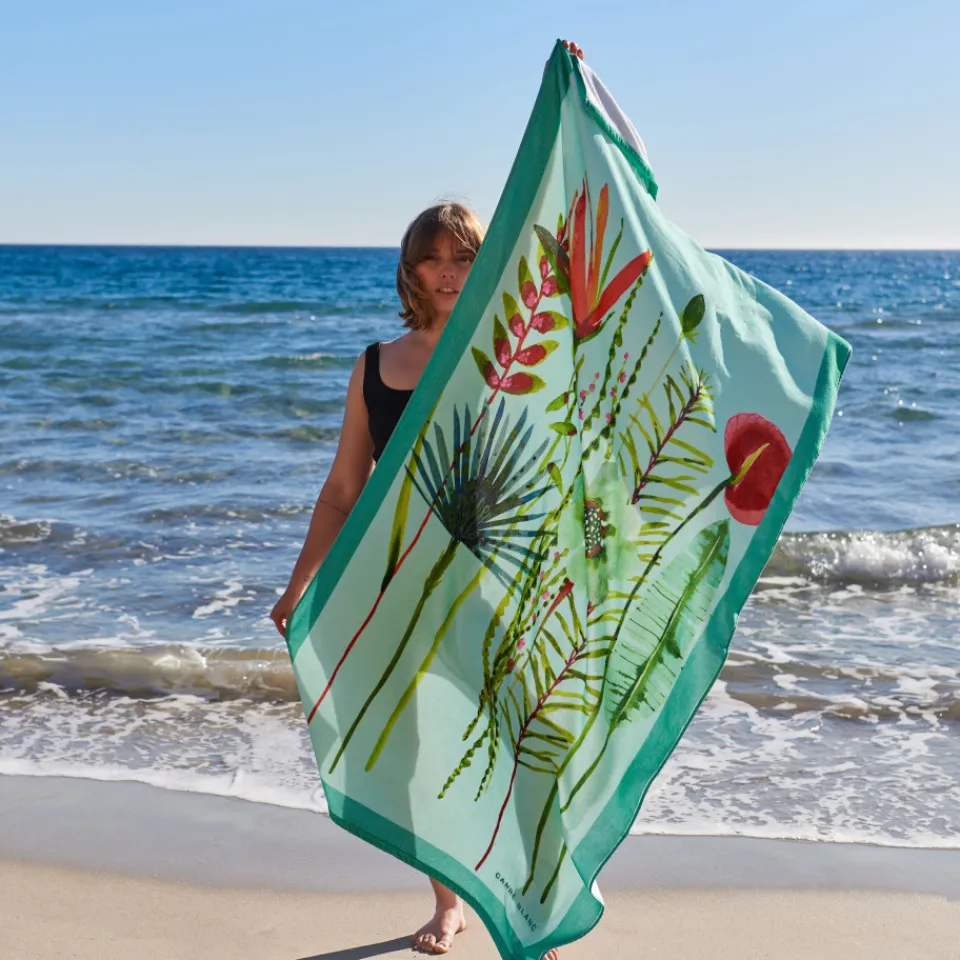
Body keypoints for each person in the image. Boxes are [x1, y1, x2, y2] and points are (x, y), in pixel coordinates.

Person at [271, 40, 584, 957]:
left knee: (521, 738)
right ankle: (449, 904)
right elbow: (342, 489)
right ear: (408, 269)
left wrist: (567, 107)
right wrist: (301, 584)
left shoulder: (501, 351)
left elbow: (555, 251)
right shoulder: (373, 366)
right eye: (432, 259)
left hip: (493, 575)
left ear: (482, 265)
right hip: (397, 583)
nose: (447, 273)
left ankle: (537, 897)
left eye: (463, 259)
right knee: (424, 749)